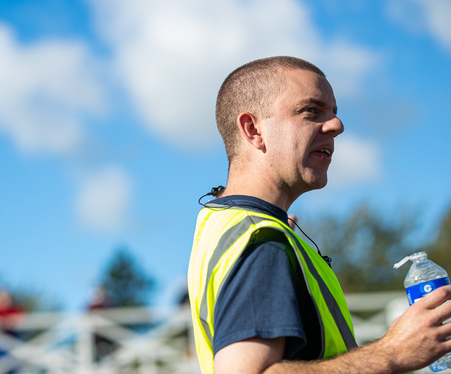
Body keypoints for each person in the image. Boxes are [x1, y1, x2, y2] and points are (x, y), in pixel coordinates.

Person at [187, 56, 451, 374]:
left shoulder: (223, 223)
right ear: (252, 129)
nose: (337, 126)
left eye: (334, 114)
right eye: (311, 110)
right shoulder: (261, 240)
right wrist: (391, 353)